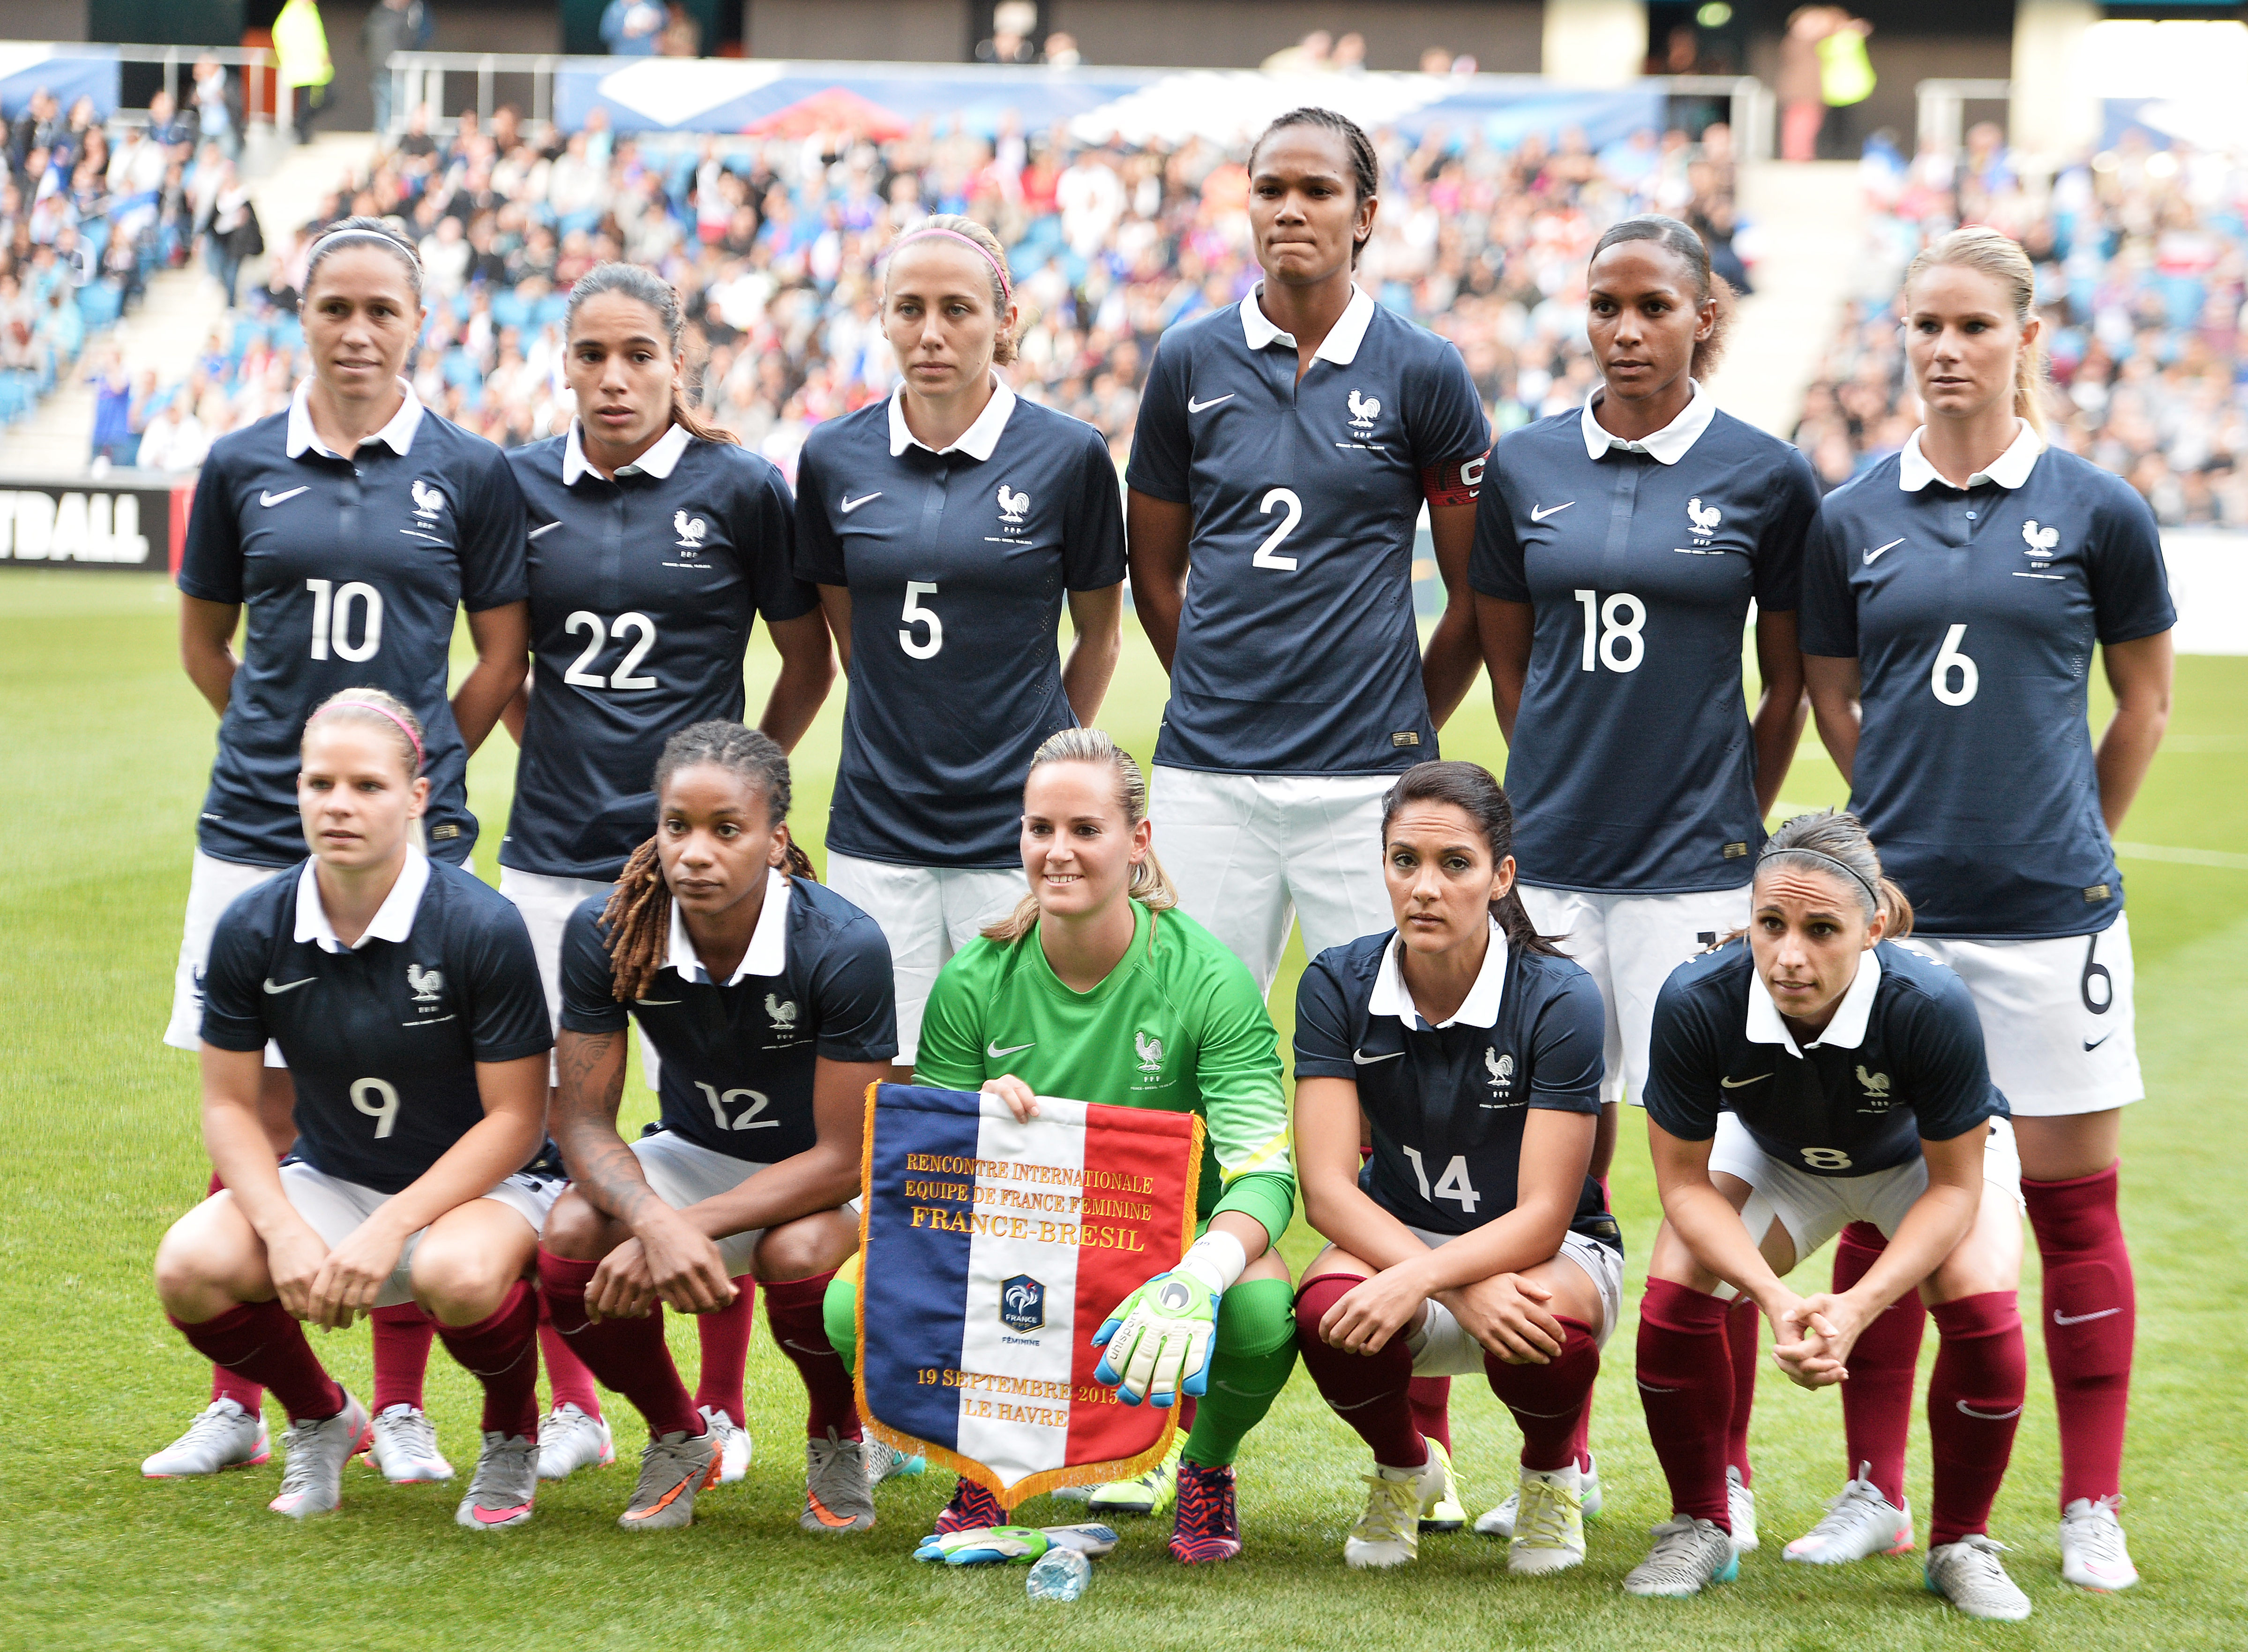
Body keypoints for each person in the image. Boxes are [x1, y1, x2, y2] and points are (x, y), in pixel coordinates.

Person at [1801, 226, 2173, 1592]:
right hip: (1894, 928)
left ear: (2024, 338)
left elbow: (2140, 699)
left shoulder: (2095, 509)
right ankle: (1871, 1490)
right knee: (1876, 1199)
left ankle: (2087, 1504)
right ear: (1898, 338)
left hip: (2050, 921)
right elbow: (1835, 694)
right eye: (1922, 328)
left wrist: (2070, 829)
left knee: (2072, 1211)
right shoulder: (1847, 517)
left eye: (1969, 327)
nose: (1943, 351)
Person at [150, 217, 529, 1488]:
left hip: (406, 826)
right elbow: (208, 644)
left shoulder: (470, 471)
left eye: (382, 311)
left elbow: (497, 655)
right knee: (255, 1101)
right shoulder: (241, 460)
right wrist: (294, 768)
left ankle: (404, 1406)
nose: (358, 333)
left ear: (420, 322)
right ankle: (249, 1402)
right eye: (334, 310)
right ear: (300, 317)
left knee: (412, 1095)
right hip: (259, 819)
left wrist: (412, 780)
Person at [1468, 213, 1820, 1537]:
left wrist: (1736, 811)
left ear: (1701, 318)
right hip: (1550, 863)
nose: (1623, 329)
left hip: (1691, 872)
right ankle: (1558, 1462)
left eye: (1652, 307)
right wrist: (1550, 778)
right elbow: (1512, 662)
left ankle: (1715, 1470)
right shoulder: (1529, 463)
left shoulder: (1764, 475)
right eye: (1605, 304)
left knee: (1707, 1176)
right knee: (1543, 1172)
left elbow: (1786, 678)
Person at [501, 261, 834, 1483]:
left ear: (677, 364)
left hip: (705, 865)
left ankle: (723, 1404)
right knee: (557, 1133)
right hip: (549, 860)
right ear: (565, 363)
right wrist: (570, 765)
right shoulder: (516, 485)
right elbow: (500, 663)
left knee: (726, 1115)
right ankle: (580, 1406)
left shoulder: (744, 488)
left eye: (638, 353)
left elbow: (806, 664)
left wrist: (738, 794)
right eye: (591, 354)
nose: (614, 376)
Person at [820, 728, 1300, 1565]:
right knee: (848, 1298)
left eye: (1086, 828)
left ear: (1137, 840)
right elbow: (928, 1176)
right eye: (1040, 828)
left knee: (1260, 1311)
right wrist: (980, 1126)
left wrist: (1198, 1273)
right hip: (1017, 1238)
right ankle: (979, 1465)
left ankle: (1204, 1463)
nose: (1058, 851)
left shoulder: (1209, 979)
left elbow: (1264, 1170)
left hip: (1160, 1249)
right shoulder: (975, 977)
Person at [152, 691, 560, 1526]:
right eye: (320, 782)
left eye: (367, 785)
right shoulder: (252, 925)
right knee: (189, 1265)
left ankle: (511, 1432)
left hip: (490, 1189)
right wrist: (285, 1228)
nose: (338, 804)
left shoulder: (480, 923)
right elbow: (230, 1105)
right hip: (336, 1175)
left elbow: (516, 1120)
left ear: (417, 797)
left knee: (456, 1271)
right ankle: (321, 1415)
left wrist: (389, 1227)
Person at [1627, 811, 2033, 1621]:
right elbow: (1682, 1185)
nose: (1788, 955)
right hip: (1780, 1157)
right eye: (1770, 923)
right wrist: (1773, 1297)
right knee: (1677, 1292)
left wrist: (1855, 1305)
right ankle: (1700, 1521)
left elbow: (1955, 1188)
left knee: (1983, 1305)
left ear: (1872, 925)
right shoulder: (1697, 997)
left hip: (1917, 1168)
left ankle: (1962, 1542)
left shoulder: (1929, 1000)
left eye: (1821, 929)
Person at [1125, 106, 1492, 1001]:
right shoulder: (1186, 359)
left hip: (1368, 778)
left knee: (1384, 1031)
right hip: (1208, 771)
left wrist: (1399, 715)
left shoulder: (1424, 369)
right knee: (1181, 1034)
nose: (1290, 209)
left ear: (1363, 215)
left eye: (1317, 190)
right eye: (1270, 189)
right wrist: (1213, 684)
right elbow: (1153, 574)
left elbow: (1477, 593)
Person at [535, 722, 899, 1533]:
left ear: (775, 841)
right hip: (696, 1153)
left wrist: (680, 1226)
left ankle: (836, 1434)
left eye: (725, 829)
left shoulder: (843, 944)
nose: (694, 851)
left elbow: (847, 1156)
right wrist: (651, 1216)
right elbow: (583, 1118)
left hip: (817, 1175)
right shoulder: (608, 928)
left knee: (796, 1253)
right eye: (676, 826)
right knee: (568, 1235)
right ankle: (679, 1434)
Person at [791, 213, 1124, 1081]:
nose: (931, 333)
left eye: (957, 309)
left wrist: (1045, 756)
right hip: (879, 824)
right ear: (883, 317)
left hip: (1012, 830)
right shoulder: (832, 456)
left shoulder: (1070, 454)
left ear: (1003, 319)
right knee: (887, 1077)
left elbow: (1098, 634)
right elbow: (851, 636)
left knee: (1025, 1072)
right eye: (909, 309)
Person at [1291, 761, 1621, 1576]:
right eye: (1405, 861)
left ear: (1501, 875)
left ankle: (1551, 1470)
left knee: (1546, 1318)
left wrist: (1435, 1276)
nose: (1425, 886)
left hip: (1547, 1250)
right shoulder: (1338, 979)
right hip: (1403, 1235)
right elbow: (1329, 1187)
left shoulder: (1560, 996)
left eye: (1455, 864)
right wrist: (1443, 1278)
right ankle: (1408, 1465)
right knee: (1326, 1309)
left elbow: (1547, 1212)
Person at [273, 0, 334, 146]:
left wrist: (323, 54)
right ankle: (300, 131)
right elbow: (282, 35)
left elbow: (316, 37)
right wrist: (297, 56)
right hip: (304, 69)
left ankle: (300, 128)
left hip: (317, 69)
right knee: (308, 103)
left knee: (326, 99)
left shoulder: (310, 11)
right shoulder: (293, 12)